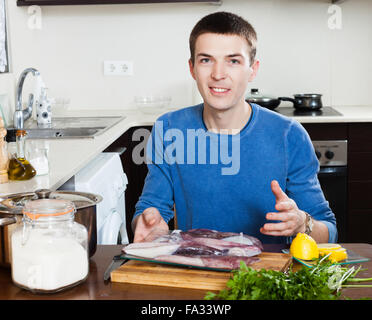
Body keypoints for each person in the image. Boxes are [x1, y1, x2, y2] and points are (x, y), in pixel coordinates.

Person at [132, 11, 337, 244]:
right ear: (192, 69)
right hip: (199, 272)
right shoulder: (168, 128)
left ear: (253, 69)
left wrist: (303, 223)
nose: (218, 74)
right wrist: (148, 222)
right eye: (206, 60)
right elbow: (150, 208)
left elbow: (328, 231)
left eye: (233, 61)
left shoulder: (289, 135)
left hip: (268, 276)